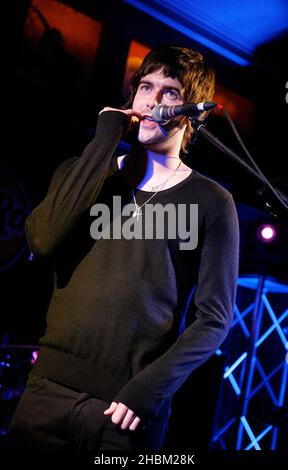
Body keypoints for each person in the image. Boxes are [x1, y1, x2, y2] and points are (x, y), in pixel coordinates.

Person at [6, 45, 239, 451]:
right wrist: (105, 138)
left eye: (170, 92)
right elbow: (42, 241)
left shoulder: (212, 202)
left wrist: (147, 391)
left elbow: (214, 319)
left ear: (192, 113)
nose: (152, 100)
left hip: (126, 413)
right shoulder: (83, 173)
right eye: (145, 87)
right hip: (47, 393)